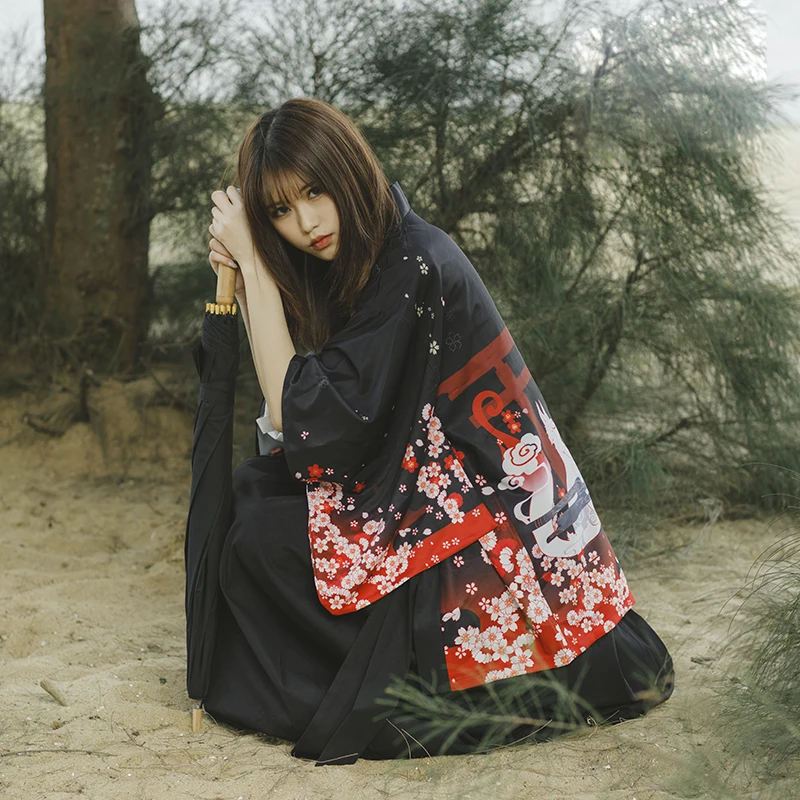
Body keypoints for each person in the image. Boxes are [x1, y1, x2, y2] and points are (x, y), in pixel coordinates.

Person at [194, 97, 674, 766]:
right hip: (450, 499)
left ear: (347, 170)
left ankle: (383, 687)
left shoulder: (412, 264)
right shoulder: (383, 253)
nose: (306, 222)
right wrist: (254, 281)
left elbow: (307, 422)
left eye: (314, 191)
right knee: (254, 493)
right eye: (279, 212)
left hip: (498, 541)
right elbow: (300, 427)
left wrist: (253, 272)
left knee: (262, 538)